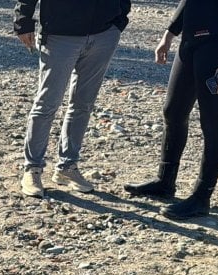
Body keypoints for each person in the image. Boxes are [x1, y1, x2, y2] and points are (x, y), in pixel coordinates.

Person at [125, 0, 218, 220]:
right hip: (191, 41)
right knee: (173, 111)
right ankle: (165, 182)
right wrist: (169, 33)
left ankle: (201, 198)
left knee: (213, 122)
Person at [13, 0, 131, 198]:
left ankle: (67, 167)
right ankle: (32, 169)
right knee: (47, 104)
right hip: (59, 34)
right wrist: (23, 21)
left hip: (103, 34)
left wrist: (119, 21)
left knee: (83, 105)